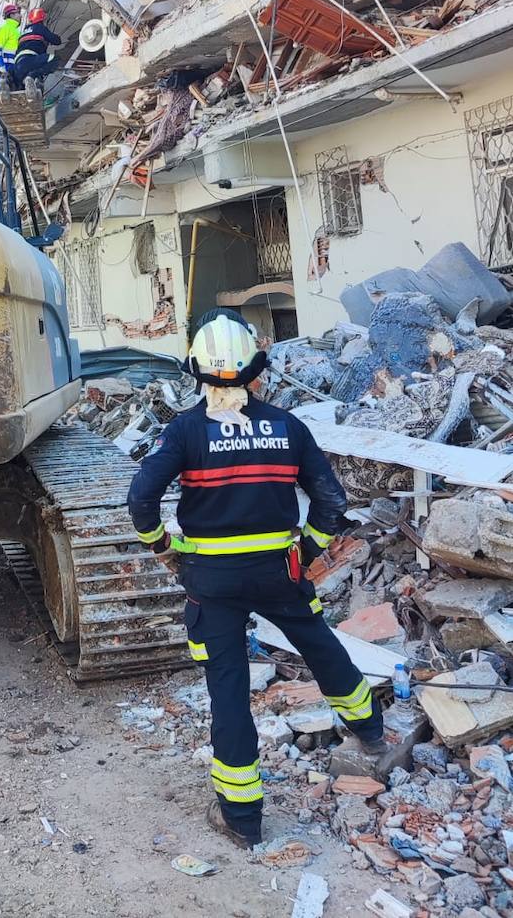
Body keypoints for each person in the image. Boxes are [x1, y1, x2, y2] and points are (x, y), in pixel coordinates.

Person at [127, 308, 384, 850]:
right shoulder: (288, 427)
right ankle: (370, 731)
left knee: (228, 690)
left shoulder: (185, 431)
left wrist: (163, 550)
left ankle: (242, 819)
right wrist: (309, 551)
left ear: (195, 369)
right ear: (256, 368)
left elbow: (141, 498)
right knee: (319, 644)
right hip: (278, 574)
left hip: (211, 583)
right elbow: (331, 500)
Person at [12, 7, 61, 89]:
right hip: (31, 59)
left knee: (25, 92)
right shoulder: (40, 27)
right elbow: (57, 41)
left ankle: (16, 82)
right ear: (42, 19)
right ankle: (32, 76)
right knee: (55, 59)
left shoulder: (23, 32)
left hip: (17, 65)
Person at [0, 2, 21, 81]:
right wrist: (2, 69)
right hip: (4, 69)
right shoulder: (5, 29)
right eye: (18, 13)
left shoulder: (15, 31)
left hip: (12, 68)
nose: (20, 15)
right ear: (11, 15)